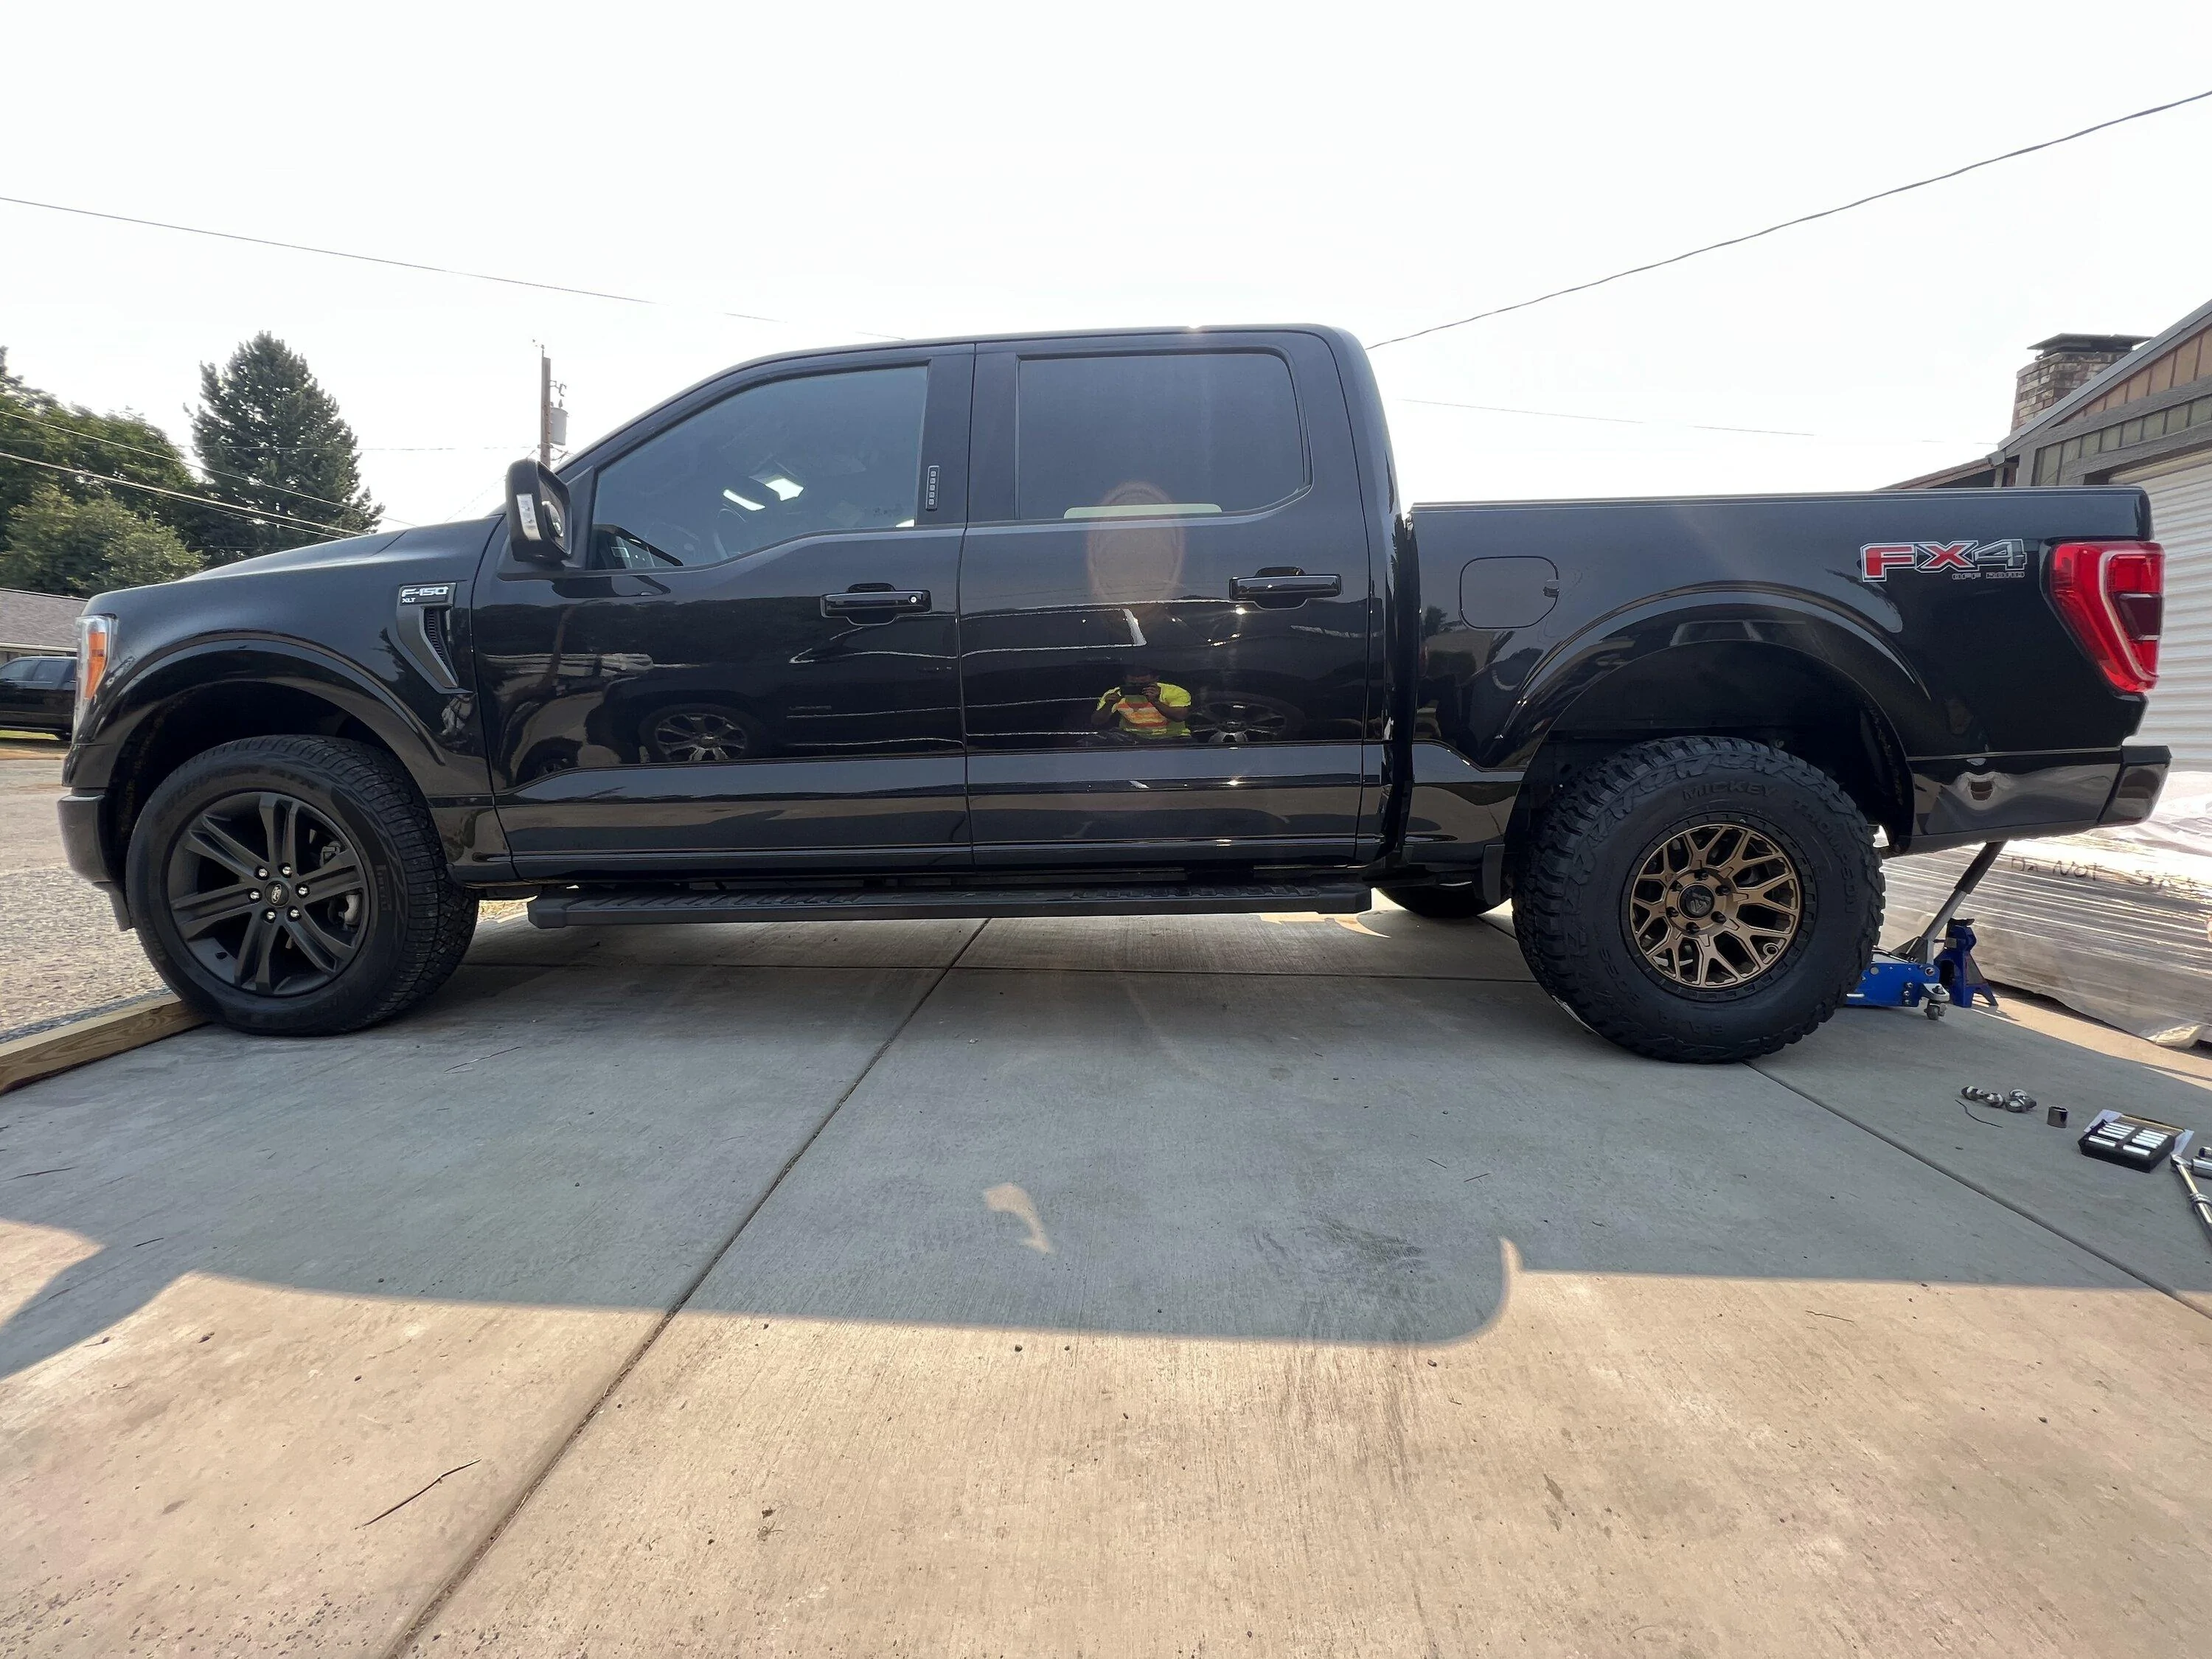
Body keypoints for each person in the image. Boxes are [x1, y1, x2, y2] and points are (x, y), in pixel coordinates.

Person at [1091, 666, 1192, 739]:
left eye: (1143, 685)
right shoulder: (1115, 694)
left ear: (1156, 679)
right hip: (1131, 739)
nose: (1137, 686)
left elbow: (1179, 717)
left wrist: (1155, 701)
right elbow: (1097, 721)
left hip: (1173, 737)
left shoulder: (1175, 692)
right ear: (1125, 680)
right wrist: (1109, 704)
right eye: (1133, 684)